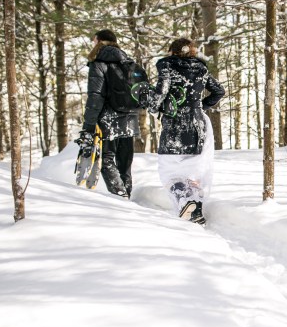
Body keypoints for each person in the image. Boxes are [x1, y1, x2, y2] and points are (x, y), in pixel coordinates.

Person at [143, 37, 224, 225]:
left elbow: (161, 92)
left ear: (172, 51)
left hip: (175, 124)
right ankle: (195, 208)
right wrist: (198, 107)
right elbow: (219, 91)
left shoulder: (166, 65)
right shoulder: (200, 68)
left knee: (169, 172)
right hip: (198, 125)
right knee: (192, 171)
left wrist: (151, 104)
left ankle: (186, 202)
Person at [79, 29, 141, 199]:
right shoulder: (128, 62)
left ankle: (120, 196)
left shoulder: (98, 63)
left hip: (109, 117)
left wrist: (89, 124)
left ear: (99, 41)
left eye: (94, 40)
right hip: (131, 117)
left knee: (106, 159)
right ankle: (126, 194)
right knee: (125, 162)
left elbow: (95, 96)